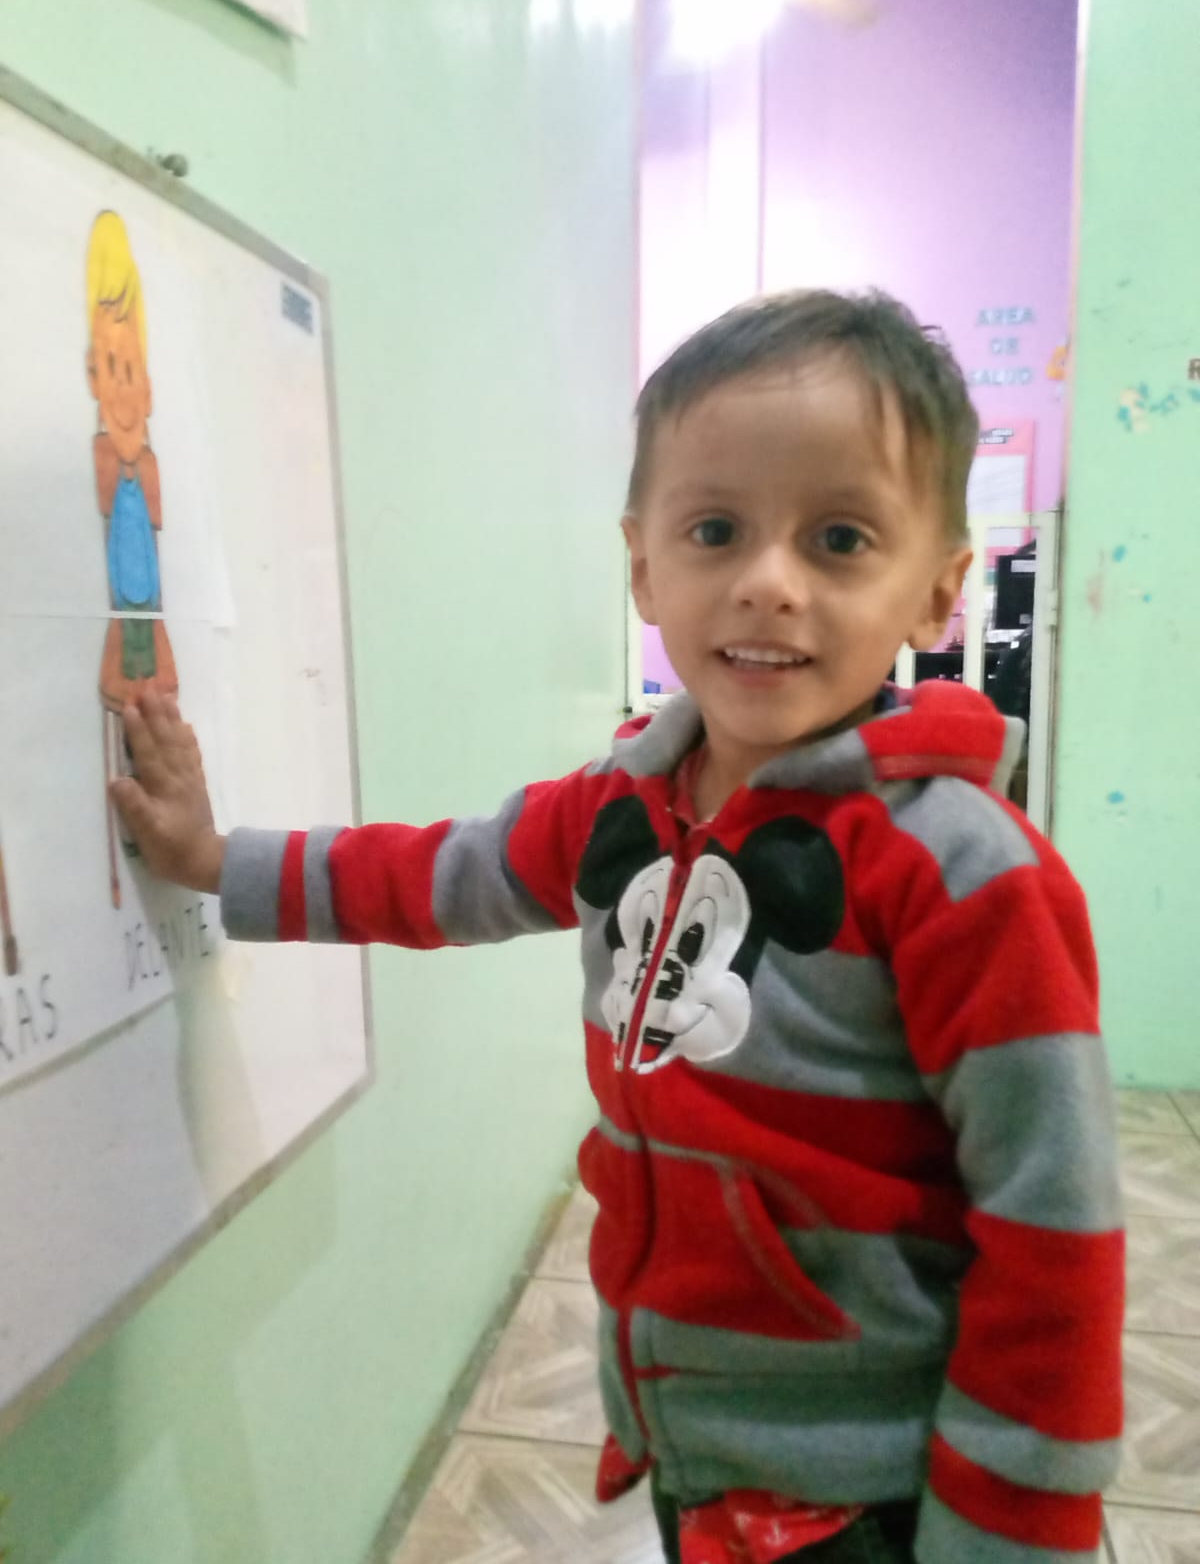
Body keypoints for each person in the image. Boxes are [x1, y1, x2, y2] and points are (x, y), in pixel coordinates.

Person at [111, 290, 1124, 1564]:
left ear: (938, 592)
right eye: (716, 530)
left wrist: (1012, 1532)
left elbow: (1055, 1231)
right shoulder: (625, 804)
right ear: (645, 566)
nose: (768, 583)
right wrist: (217, 863)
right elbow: (438, 874)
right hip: (689, 1442)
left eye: (840, 538)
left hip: (870, 1484)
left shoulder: (970, 873)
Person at [86, 209, 179, 905]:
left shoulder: (147, 466)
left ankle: (157, 830)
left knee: (158, 713)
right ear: (94, 378)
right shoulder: (102, 458)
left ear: (147, 389)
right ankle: (125, 849)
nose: (122, 389)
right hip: (125, 615)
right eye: (109, 369)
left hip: (150, 614)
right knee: (121, 713)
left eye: (131, 372)